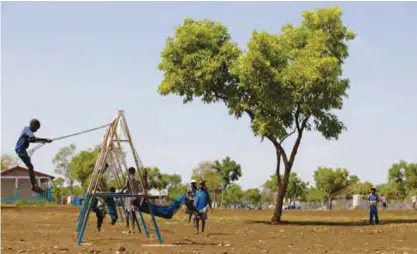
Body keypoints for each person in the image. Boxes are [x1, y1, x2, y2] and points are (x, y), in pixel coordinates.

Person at [15, 119, 52, 194]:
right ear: (32, 125)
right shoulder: (27, 129)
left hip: (22, 150)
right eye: (36, 128)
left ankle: (34, 186)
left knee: (30, 167)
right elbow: (33, 138)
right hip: (20, 149)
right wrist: (45, 139)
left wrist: (43, 141)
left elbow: (32, 140)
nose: (36, 130)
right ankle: (34, 186)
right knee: (30, 167)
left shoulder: (28, 133)